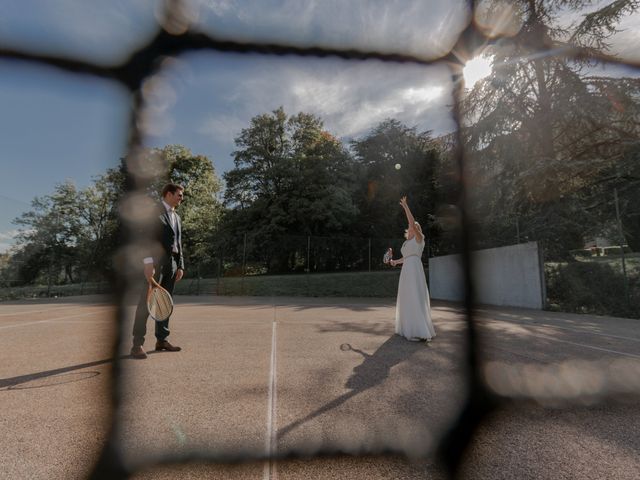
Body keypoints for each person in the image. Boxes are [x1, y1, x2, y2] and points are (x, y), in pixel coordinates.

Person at [130, 183, 185, 359]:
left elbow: (178, 243)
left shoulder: (177, 217)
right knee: (145, 304)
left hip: (172, 264)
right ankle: (137, 344)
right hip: (155, 264)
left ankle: (162, 340)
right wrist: (148, 262)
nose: (181, 198)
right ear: (169, 194)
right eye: (179, 195)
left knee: (164, 304)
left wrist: (180, 265)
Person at [389, 196, 436, 342]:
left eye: (413, 227)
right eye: (410, 227)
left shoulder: (419, 238)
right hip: (406, 271)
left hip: (415, 270)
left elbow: (412, 222)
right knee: (407, 297)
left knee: (415, 296)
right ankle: (407, 328)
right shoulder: (405, 244)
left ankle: (419, 330)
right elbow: (405, 258)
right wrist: (395, 262)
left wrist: (405, 207)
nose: (410, 228)